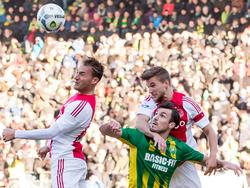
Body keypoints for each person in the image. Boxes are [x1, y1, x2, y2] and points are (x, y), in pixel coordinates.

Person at [2, 57, 104, 188]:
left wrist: (15, 133)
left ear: (94, 80)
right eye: (77, 72)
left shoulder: (82, 104)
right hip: (70, 159)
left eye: (82, 74)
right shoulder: (79, 98)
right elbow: (63, 130)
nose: (76, 76)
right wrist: (49, 146)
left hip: (66, 160)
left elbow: (52, 131)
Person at [99, 102, 242, 188]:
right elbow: (104, 131)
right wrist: (109, 126)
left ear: (171, 124)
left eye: (162, 116)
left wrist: (224, 163)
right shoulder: (138, 137)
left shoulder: (180, 148)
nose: (155, 118)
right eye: (155, 114)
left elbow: (205, 161)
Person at [135, 66, 218, 188]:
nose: (150, 91)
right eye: (148, 87)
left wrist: (213, 156)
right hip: (159, 160)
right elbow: (140, 123)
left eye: (153, 85)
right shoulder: (150, 101)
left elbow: (209, 130)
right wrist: (155, 135)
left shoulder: (187, 103)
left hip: (183, 162)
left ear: (166, 83)